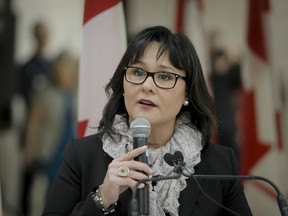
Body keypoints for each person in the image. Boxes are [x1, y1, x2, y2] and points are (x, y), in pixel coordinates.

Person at [43, 26, 252, 216]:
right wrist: (102, 199)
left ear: (187, 92)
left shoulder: (220, 163)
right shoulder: (82, 156)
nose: (147, 86)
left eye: (164, 76)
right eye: (138, 72)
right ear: (123, 85)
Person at [23, 51, 78, 216]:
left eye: (68, 68)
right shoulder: (45, 93)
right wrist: (29, 148)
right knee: (50, 191)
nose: (65, 72)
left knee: (70, 193)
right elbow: (33, 124)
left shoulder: (79, 93)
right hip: (51, 150)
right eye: (61, 68)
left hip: (73, 149)